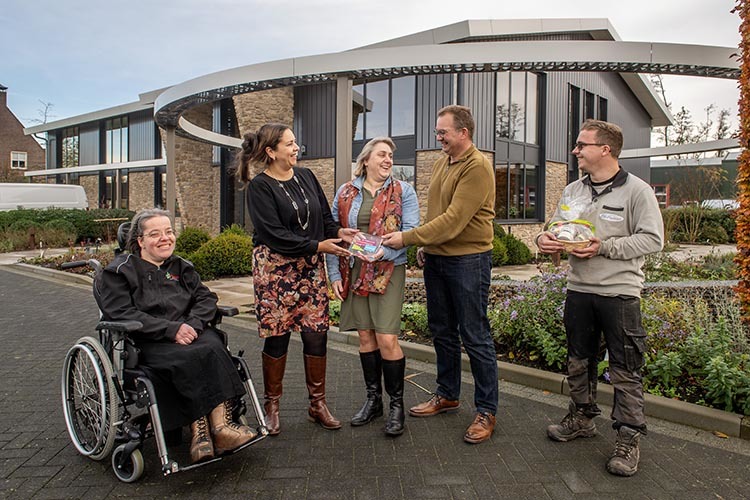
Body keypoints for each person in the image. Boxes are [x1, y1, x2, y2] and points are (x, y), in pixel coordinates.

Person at [536, 119, 664, 477]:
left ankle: (628, 437)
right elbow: (557, 228)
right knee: (578, 361)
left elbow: (653, 240)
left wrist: (604, 247)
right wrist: (545, 241)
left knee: (625, 369)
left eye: (582, 145)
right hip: (579, 290)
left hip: (619, 294)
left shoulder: (637, 191)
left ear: (605, 149)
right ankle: (581, 417)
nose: (576, 150)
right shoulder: (573, 190)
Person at [96, 209, 256, 465]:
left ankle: (220, 427)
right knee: (189, 357)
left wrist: (191, 325)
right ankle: (200, 430)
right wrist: (171, 330)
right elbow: (120, 312)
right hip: (149, 342)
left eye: (169, 232)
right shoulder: (119, 272)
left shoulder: (181, 267)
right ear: (140, 240)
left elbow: (206, 298)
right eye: (155, 234)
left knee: (214, 344)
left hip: (190, 332)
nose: (165, 238)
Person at [382, 105, 498, 444]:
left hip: (468, 261)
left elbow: (454, 220)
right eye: (438, 131)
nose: (438, 137)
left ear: (463, 132)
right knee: (443, 331)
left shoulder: (477, 167)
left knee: (475, 335)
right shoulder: (440, 162)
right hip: (438, 259)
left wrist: (407, 238)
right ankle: (447, 394)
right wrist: (425, 245)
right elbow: (436, 213)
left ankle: (486, 410)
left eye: (443, 131)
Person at [236, 123, 356, 436]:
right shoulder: (259, 187)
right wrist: (319, 245)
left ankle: (318, 404)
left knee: (316, 334)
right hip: (276, 270)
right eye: (289, 144)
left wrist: (337, 233)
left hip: (310, 268)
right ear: (270, 151)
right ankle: (272, 406)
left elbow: (325, 219)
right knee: (278, 336)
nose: (296, 149)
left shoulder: (306, 176)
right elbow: (274, 234)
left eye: (295, 143)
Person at [326, 137, 420, 437]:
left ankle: (396, 405)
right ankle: (373, 400)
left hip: (388, 271)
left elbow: (411, 234)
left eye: (391, 155)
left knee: (387, 339)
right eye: (382, 154)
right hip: (354, 271)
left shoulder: (404, 190)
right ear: (366, 160)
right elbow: (334, 234)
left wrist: (385, 252)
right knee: (366, 337)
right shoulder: (346, 191)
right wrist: (335, 276)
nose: (388, 159)